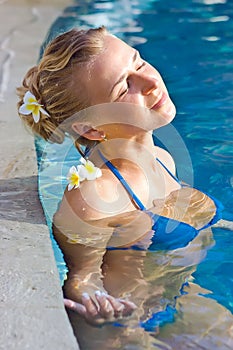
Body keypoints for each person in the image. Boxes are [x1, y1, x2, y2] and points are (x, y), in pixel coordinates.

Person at [17, 27, 233, 349]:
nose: (150, 82)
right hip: (128, 329)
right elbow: (81, 279)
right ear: (89, 127)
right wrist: (95, 301)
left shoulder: (162, 158)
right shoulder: (98, 194)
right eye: (123, 88)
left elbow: (178, 215)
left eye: (139, 62)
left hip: (181, 295)